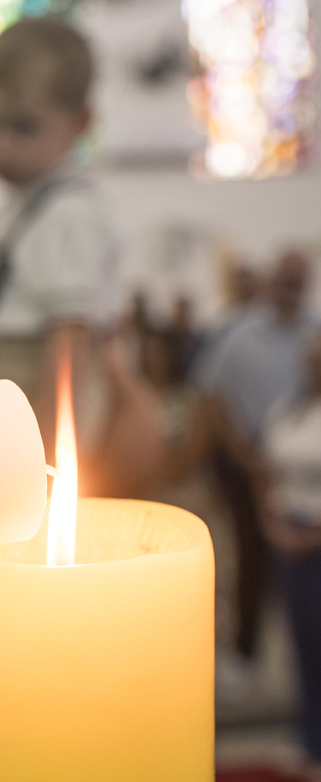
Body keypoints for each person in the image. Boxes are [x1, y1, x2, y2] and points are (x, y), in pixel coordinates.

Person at [0, 18, 125, 483]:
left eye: (23, 127)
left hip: (36, 381)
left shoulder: (69, 211)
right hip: (9, 380)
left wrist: (48, 461)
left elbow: (68, 343)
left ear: (80, 123)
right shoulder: (28, 201)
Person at [196, 249, 318, 664]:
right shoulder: (241, 334)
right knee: (251, 557)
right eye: (285, 281)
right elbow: (212, 396)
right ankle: (247, 651)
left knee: (301, 561)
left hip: (303, 466)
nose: (291, 290)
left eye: (298, 283)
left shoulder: (315, 331)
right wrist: (243, 456)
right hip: (250, 460)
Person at [260, 331, 321, 774]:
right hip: (287, 530)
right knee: (300, 642)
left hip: (316, 535)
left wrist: (312, 538)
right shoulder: (289, 409)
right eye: (311, 360)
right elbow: (267, 471)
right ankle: (308, 736)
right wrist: (274, 525)